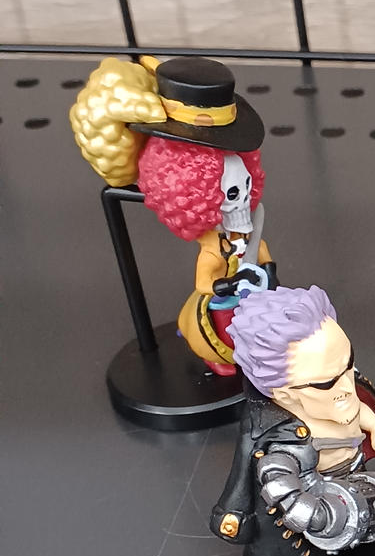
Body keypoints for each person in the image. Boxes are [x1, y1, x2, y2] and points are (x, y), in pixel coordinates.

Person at [70, 55, 274, 374]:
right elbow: (205, 282)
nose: (242, 200)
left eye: (245, 185)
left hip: (253, 298)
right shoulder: (214, 246)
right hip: (226, 302)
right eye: (232, 194)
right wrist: (230, 284)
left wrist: (268, 271)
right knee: (222, 333)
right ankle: (215, 353)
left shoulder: (248, 224)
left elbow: (260, 250)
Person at [210, 285, 375, 556]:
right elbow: (283, 491)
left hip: (357, 476)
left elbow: (359, 411)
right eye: (325, 383)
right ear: (283, 393)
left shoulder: (345, 395)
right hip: (318, 495)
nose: (347, 387)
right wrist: (316, 516)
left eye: (348, 366)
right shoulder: (281, 439)